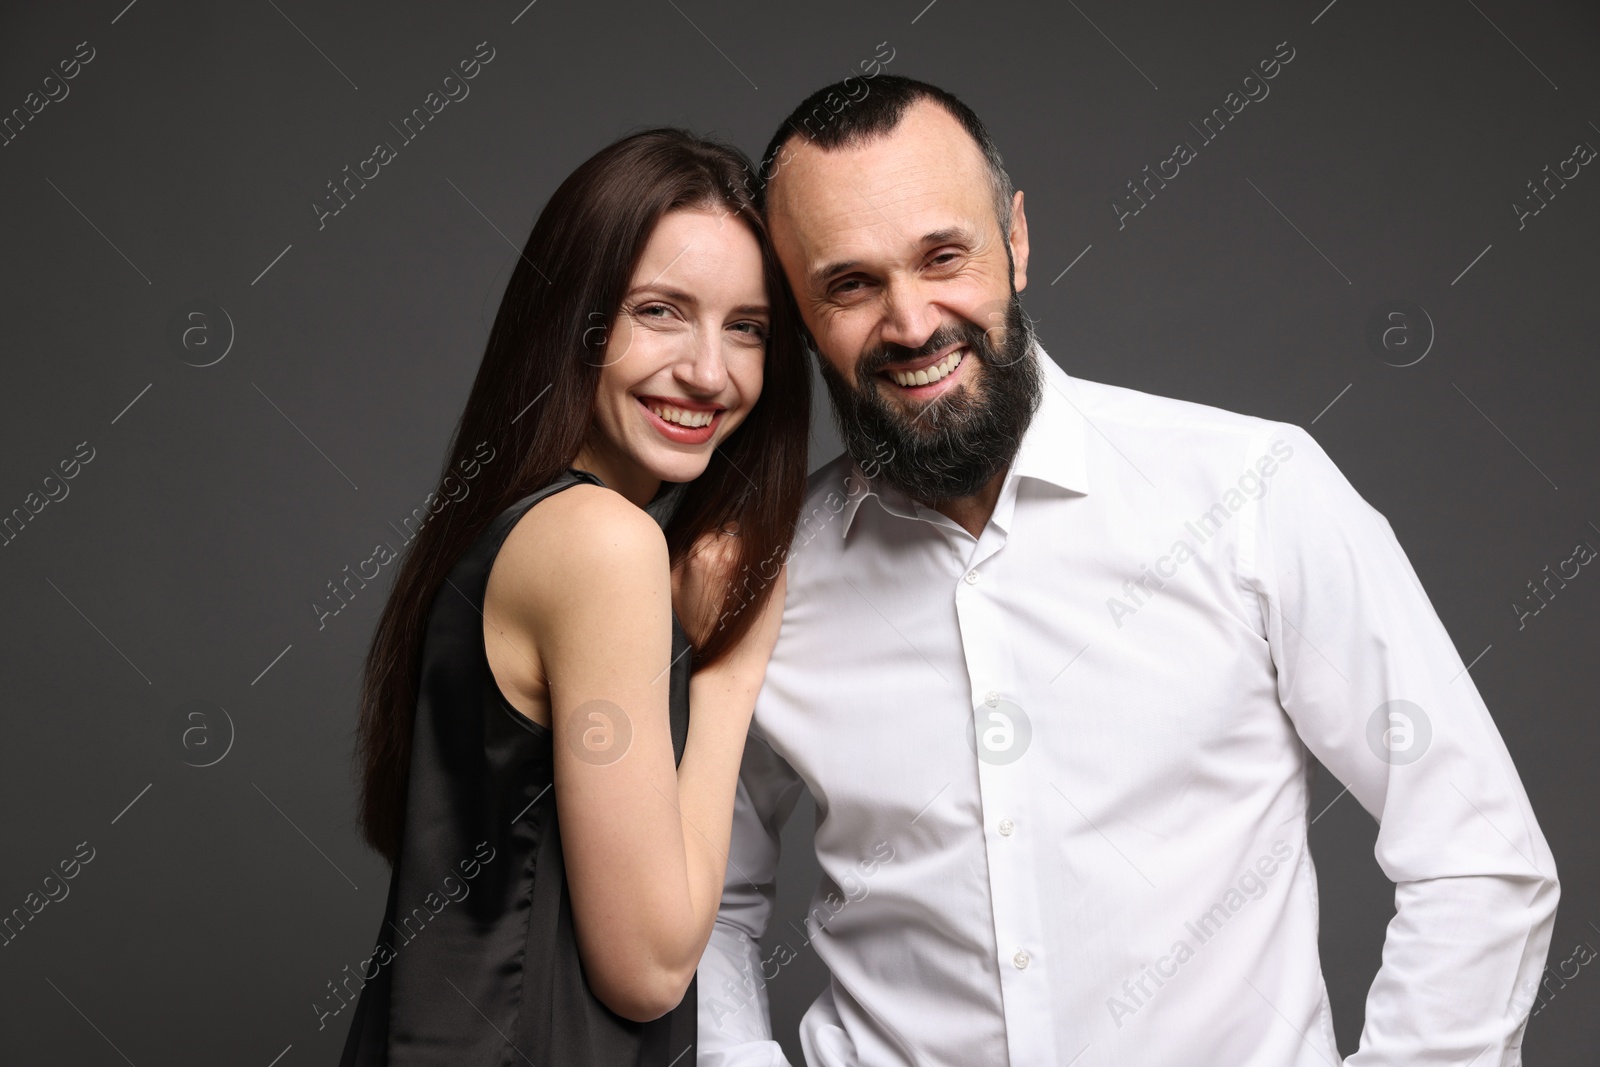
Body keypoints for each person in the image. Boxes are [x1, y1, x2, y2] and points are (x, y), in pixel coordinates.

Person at [696, 75, 1559, 1066]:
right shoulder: (764, 573)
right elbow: (702, 898)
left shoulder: (1253, 490)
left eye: (945, 255)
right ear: (798, 310)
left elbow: (1478, 855)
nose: (909, 320)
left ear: (1015, 239)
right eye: (849, 284)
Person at [337, 128, 811, 1066]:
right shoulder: (602, 543)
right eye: (661, 311)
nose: (710, 372)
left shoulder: (525, 524)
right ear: (576, 319)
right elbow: (649, 966)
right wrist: (729, 669)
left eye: (747, 326)